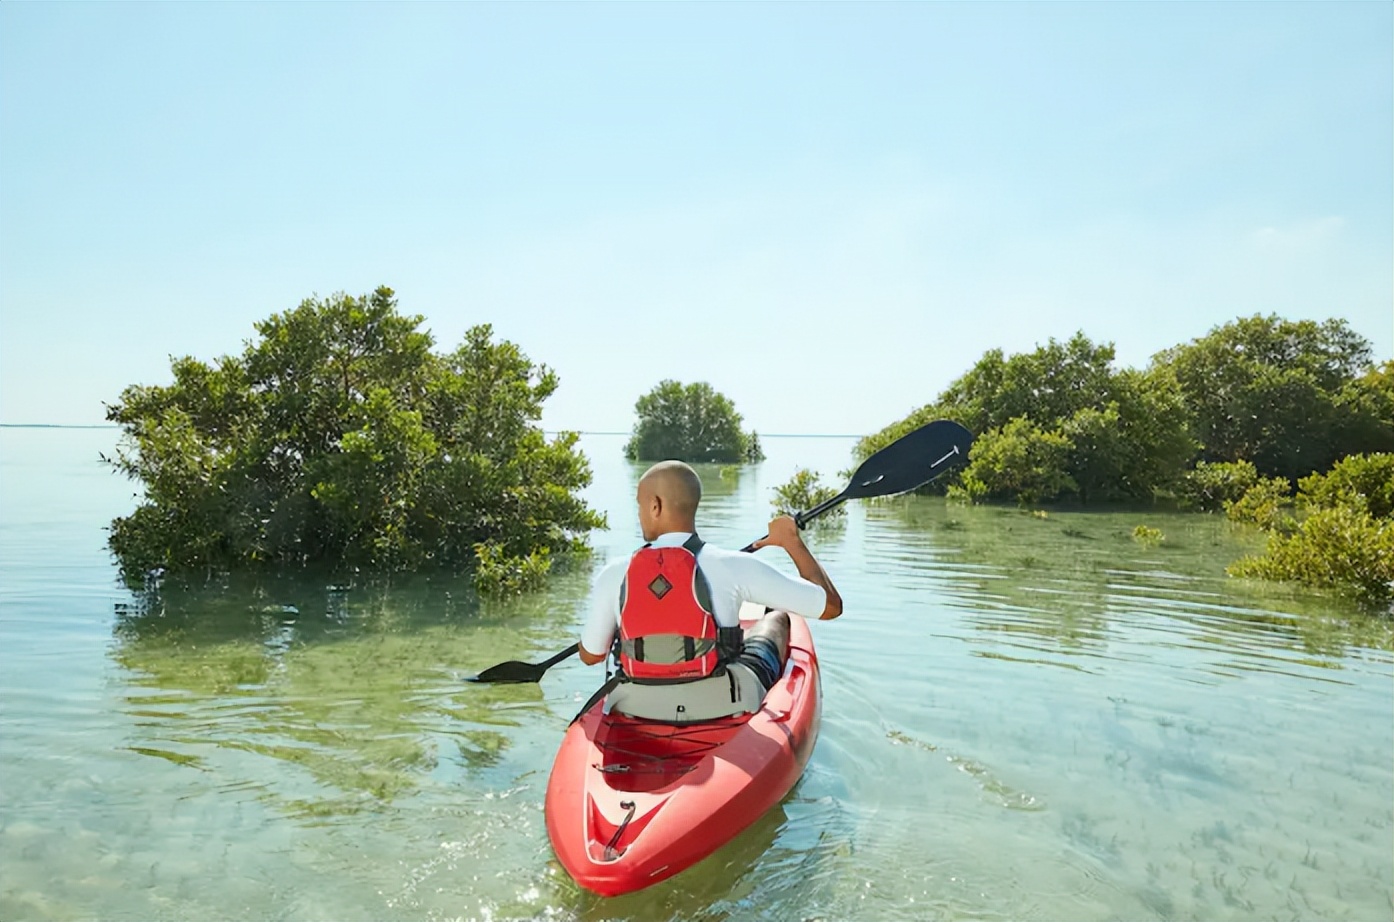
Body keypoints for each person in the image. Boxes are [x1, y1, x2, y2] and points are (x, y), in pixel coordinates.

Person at [578, 460, 842, 722]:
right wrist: (791, 541)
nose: (639, 514)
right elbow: (830, 607)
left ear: (655, 506)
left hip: (634, 703)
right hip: (722, 701)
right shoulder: (734, 565)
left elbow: (591, 656)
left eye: (640, 505)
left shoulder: (613, 574)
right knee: (778, 617)